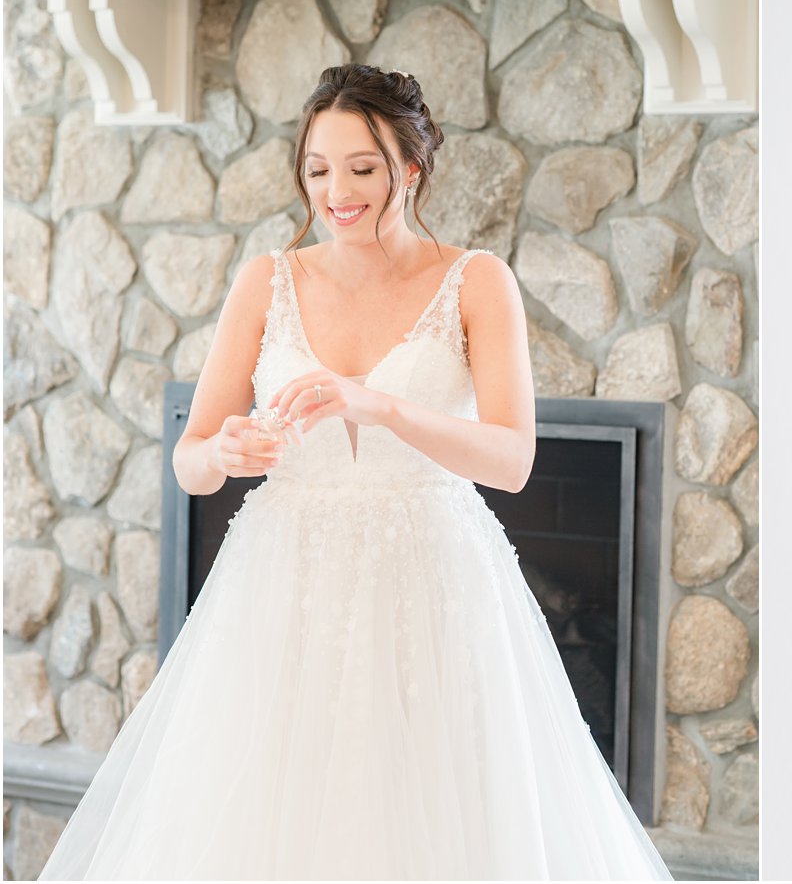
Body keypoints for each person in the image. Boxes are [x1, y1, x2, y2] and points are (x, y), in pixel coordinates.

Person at [39, 64, 672, 880]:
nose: (337, 190)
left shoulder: (476, 280)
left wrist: (380, 406)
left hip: (432, 583)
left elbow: (514, 461)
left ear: (411, 167)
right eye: (318, 169)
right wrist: (223, 453)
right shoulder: (266, 281)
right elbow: (190, 461)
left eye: (362, 168)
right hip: (282, 584)